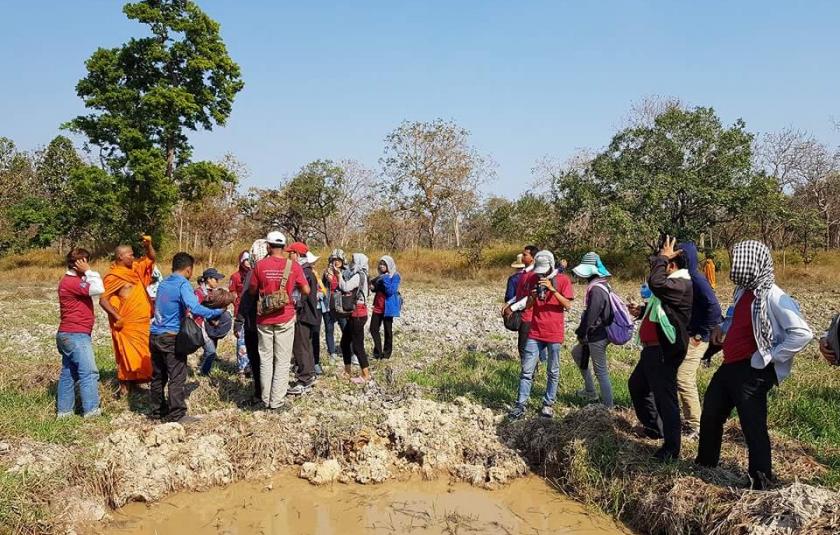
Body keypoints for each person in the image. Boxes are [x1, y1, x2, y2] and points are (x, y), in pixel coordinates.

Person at [696, 240, 813, 490]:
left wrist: (769, 356)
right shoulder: (743, 291)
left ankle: (760, 482)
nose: (737, 266)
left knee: (753, 427)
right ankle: (704, 467)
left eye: (742, 261)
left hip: (753, 371)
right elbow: (733, 318)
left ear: (755, 262)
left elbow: (802, 333)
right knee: (711, 414)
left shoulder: (773, 295)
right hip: (731, 365)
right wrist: (722, 330)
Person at [627, 236, 693, 461]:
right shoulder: (673, 286)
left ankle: (671, 448)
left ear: (672, 266)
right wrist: (643, 310)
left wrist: (662, 259)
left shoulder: (681, 283)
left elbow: (657, 282)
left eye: (664, 265)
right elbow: (662, 307)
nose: (657, 267)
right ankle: (655, 428)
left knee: (666, 398)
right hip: (652, 350)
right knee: (637, 386)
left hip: (663, 351)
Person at [149, 252, 223, 424]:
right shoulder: (183, 284)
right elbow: (194, 307)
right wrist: (215, 312)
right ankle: (177, 415)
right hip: (171, 337)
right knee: (177, 375)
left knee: (158, 376)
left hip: (154, 335)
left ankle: (157, 412)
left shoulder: (163, 282)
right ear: (189, 270)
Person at [508, 250, 574, 419]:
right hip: (535, 331)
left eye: (544, 270)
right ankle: (520, 405)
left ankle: (548, 404)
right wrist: (532, 297)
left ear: (551, 266)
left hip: (554, 333)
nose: (541, 274)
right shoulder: (532, 278)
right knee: (526, 371)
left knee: (553, 371)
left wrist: (552, 290)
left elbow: (568, 305)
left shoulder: (563, 280)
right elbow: (528, 306)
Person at [248, 231, 310, 409]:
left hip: (264, 318)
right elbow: (305, 290)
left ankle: (265, 399)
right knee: (282, 361)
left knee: (265, 359)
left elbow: (252, 291)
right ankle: (277, 401)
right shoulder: (293, 266)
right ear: (284, 247)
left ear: (268, 246)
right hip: (285, 316)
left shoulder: (259, 266)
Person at [100, 236, 156, 397]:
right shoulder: (113, 276)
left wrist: (148, 245)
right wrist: (117, 316)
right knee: (125, 353)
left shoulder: (135, 269)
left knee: (144, 353)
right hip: (127, 323)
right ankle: (124, 387)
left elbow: (151, 258)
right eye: (130, 255)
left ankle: (136, 383)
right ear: (120, 257)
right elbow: (103, 300)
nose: (133, 257)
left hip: (142, 323)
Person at [678, 242, 723, 438]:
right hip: (689, 334)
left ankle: (695, 424)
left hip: (698, 337)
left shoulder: (697, 279)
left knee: (684, 378)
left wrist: (699, 334)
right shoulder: (686, 278)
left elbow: (714, 308)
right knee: (679, 377)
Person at [56, 248, 105, 418]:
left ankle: (64, 412)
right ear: (79, 263)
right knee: (89, 372)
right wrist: (89, 271)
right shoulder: (73, 283)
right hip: (76, 334)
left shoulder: (68, 281)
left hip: (67, 333)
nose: (87, 264)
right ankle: (91, 411)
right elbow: (98, 289)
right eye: (85, 261)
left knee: (69, 373)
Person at [570, 252, 615, 408]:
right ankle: (590, 391)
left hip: (597, 334)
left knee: (601, 371)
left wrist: (581, 332)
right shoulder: (602, 285)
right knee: (577, 353)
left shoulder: (596, 289)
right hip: (597, 333)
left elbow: (591, 315)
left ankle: (608, 406)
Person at [236, 239, 269, 403]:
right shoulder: (278, 268)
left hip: (254, 323)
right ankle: (272, 393)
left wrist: (239, 320)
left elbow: (246, 298)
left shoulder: (254, 272)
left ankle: (259, 393)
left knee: (256, 359)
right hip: (275, 322)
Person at [286, 242, 321, 395]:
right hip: (308, 314)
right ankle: (309, 373)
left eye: (291, 253)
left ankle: (304, 378)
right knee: (305, 346)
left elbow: (302, 296)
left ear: (297, 254)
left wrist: (295, 310)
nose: (289, 256)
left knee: (300, 347)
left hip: (303, 315)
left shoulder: (304, 272)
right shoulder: (307, 270)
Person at [503, 245, 547, 363]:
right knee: (523, 347)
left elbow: (530, 296)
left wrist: (512, 308)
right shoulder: (524, 273)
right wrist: (508, 303)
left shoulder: (534, 275)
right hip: (524, 315)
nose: (522, 256)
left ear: (532, 258)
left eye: (525, 255)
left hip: (529, 316)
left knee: (525, 349)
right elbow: (520, 294)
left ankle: (529, 376)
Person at [337, 253, 371, 383]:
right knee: (345, 342)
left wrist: (339, 274)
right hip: (357, 314)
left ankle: (365, 375)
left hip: (357, 314)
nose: (351, 263)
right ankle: (347, 371)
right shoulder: (364, 275)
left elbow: (345, 287)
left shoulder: (358, 276)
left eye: (353, 260)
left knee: (357, 346)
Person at [195, 268, 227, 376]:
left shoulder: (213, 293)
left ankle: (204, 369)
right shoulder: (199, 293)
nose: (217, 282)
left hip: (210, 327)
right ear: (208, 279)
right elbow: (196, 310)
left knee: (211, 350)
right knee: (211, 351)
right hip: (200, 326)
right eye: (215, 279)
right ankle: (204, 373)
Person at [370, 255, 402, 359]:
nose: (382, 266)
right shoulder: (380, 276)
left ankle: (387, 353)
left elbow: (390, 291)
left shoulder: (395, 276)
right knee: (373, 329)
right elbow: (374, 289)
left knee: (388, 330)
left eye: (384, 264)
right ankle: (378, 352)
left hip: (388, 308)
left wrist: (386, 278)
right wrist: (373, 286)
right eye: (380, 264)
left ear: (390, 265)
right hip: (378, 306)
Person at [323, 249, 349, 363]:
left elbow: (348, 287)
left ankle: (349, 351)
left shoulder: (346, 272)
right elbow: (322, 287)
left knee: (345, 328)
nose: (336, 262)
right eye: (334, 259)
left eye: (339, 260)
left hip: (342, 304)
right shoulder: (326, 272)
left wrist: (338, 275)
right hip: (328, 303)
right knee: (329, 329)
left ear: (343, 261)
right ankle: (332, 352)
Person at [229, 250, 251, 377]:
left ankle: (251, 366)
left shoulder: (254, 274)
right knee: (241, 341)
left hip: (252, 313)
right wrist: (238, 306)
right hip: (241, 312)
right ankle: (242, 368)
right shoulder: (235, 277)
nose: (248, 263)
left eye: (249, 260)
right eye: (246, 260)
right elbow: (233, 294)